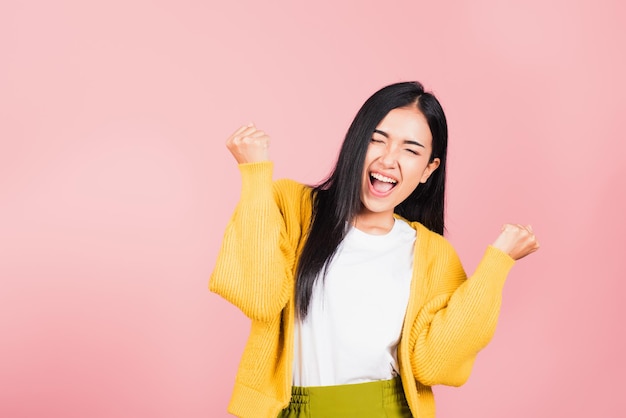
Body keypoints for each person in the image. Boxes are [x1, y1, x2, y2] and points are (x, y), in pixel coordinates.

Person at [209, 81, 539, 418]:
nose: (388, 159)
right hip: (285, 408)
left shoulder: (433, 255)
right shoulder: (292, 207)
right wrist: (254, 173)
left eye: (410, 150)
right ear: (355, 143)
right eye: (376, 140)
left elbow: (435, 364)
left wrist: (497, 264)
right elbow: (257, 296)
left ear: (428, 170)